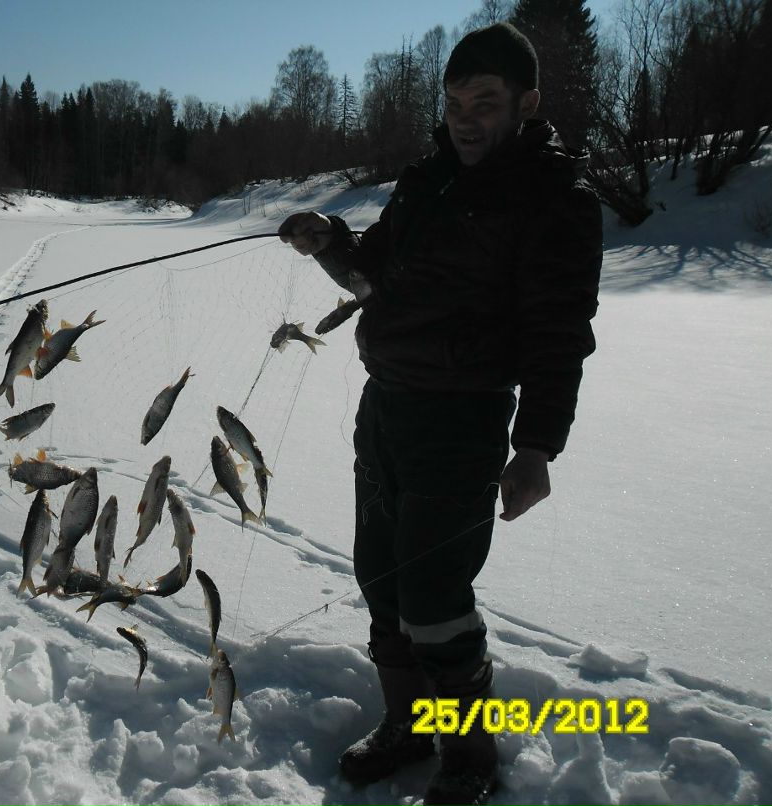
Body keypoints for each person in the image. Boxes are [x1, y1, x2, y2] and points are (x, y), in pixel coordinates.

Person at [279, 22, 602, 806]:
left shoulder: (556, 199)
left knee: (433, 597)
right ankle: (409, 724)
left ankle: (468, 761)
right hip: (385, 408)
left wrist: (536, 450)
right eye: (455, 102)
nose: (464, 118)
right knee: (381, 580)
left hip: (463, 424)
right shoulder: (427, 180)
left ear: (527, 103)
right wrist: (330, 243)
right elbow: (377, 276)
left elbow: (559, 336)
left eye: (484, 102)